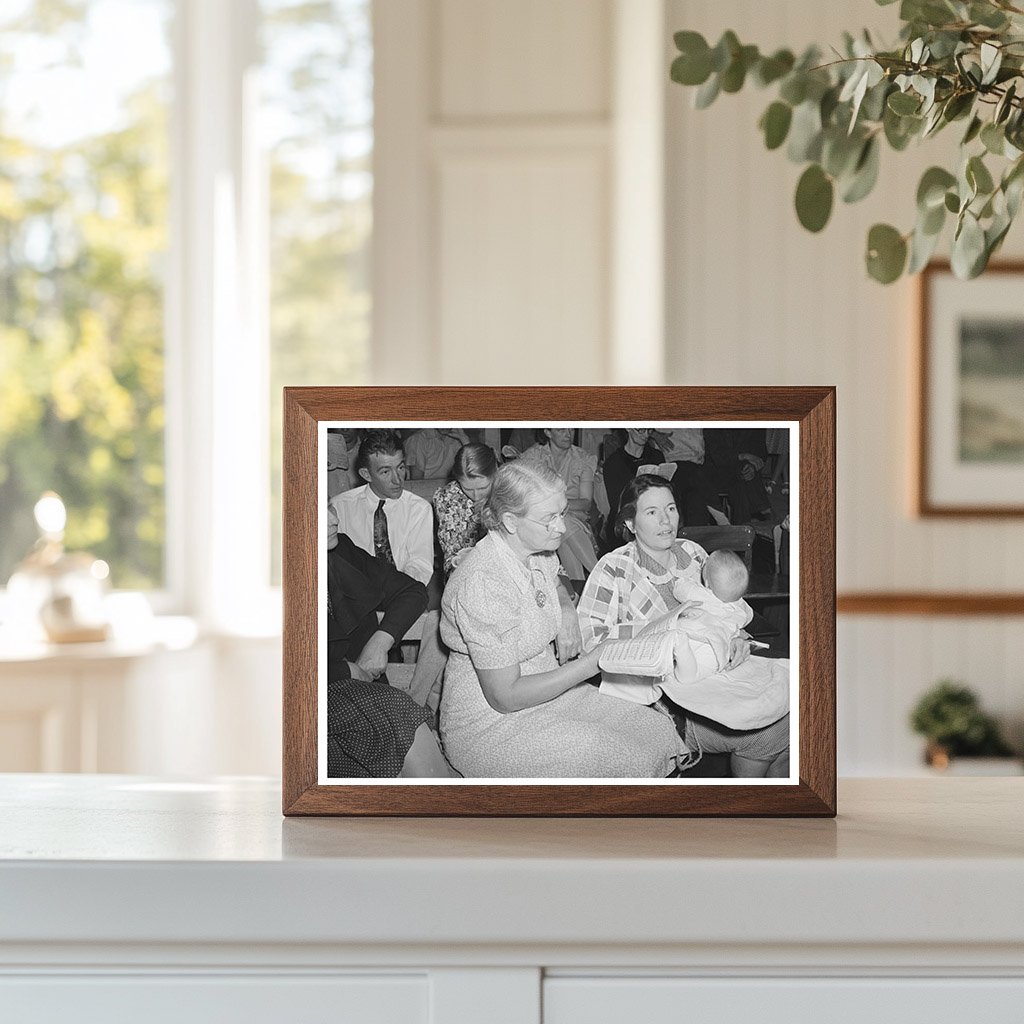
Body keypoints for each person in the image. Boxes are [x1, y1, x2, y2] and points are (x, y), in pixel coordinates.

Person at [438, 461, 689, 778]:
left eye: (562, 512)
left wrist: (566, 609)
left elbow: (554, 579)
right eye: (549, 519)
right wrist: (592, 662)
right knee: (605, 750)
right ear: (510, 521)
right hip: (491, 722)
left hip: (551, 689)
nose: (561, 527)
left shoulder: (538, 547)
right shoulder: (485, 583)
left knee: (654, 728)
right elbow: (505, 697)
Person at [577, 474, 789, 778]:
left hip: (719, 675)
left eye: (671, 508)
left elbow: (725, 609)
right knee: (769, 735)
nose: (666, 521)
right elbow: (592, 643)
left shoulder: (693, 553)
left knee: (797, 711)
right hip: (663, 698)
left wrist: (741, 638)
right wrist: (658, 630)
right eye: (652, 512)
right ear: (630, 524)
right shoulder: (613, 569)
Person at [324, 522, 454, 778]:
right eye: (317, 513)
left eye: (329, 505)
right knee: (398, 711)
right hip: (314, 709)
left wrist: (380, 641)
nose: (331, 518)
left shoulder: (341, 551)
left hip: (375, 703)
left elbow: (411, 590)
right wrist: (344, 670)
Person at [520, 428, 599, 585]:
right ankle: (601, 575)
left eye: (571, 428)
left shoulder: (583, 459)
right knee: (560, 524)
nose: (568, 433)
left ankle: (582, 586)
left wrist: (559, 507)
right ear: (548, 432)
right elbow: (527, 498)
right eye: (561, 429)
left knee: (563, 524)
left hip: (576, 518)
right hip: (542, 520)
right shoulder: (533, 458)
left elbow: (586, 502)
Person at [433, 442, 499, 579]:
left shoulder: (508, 490)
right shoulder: (447, 498)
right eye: (468, 489)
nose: (476, 496)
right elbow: (451, 554)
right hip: (465, 574)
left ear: (495, 473)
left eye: (482, 488)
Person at [601, 427, 665, 548]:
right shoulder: (614, 462)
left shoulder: (656, 456)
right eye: (641, 430)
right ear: (628, 428)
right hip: (626, 517)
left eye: (649, 430)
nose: (646, 434)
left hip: (654, 512)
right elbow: (616, 502)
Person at [404, 427, 470, 480]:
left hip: (442, 489)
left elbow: (473, 468)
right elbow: (417, 481)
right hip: (422, 488)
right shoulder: (418, 439)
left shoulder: (457, 438)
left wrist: (464, 439)